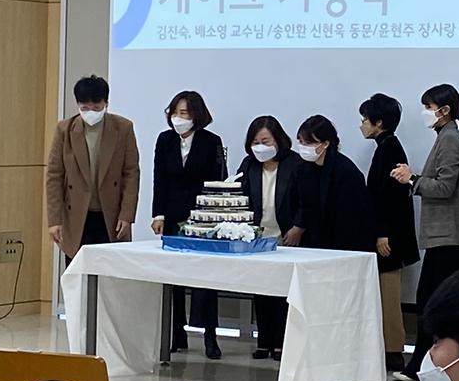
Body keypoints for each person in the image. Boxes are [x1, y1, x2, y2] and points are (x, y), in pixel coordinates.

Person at [391, 83, 459, 381]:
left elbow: (444, 187)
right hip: (446, 237)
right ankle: (424, 365)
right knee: (431, 302)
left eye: (429, 108)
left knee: (436, 304)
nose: (425, 113)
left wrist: (412, 179)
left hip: (452, 237)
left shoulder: (450, 139)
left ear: (444, 110)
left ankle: (427, 365)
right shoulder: (446, 137)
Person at [150, 90, 226, 359]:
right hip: (172, 215)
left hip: (202, 219)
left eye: (184, 113)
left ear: (196, 116)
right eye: (174, 112)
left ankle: (210, 336)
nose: (178, 118)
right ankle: (176, 334)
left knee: (206, 279)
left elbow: (218, 182)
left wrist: (213, 217)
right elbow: (159, 179)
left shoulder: (212, 141)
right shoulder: (165, 140)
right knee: (173, 278)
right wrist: (158, 214)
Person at [46, 75, 139, 263]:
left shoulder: (123, 128)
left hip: (111, 215)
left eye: (96, 108)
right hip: (76, 215)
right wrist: (54, 220)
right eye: (85, 108)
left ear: (106, 103)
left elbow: (131, 173)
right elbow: (54, 176)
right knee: (78, 271)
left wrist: (127, 215)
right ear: (78, 105)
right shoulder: (64, 130)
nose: (91, 112)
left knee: (110, 271)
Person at [359, 93, 420, 372]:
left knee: (389, 292)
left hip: (390, 236)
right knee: (384, 292)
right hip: (388, 232)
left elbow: (390, 196)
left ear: (379, 122)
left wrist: (382, 233)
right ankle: (387, 347)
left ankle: (394, 350)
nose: (362, 125)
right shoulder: (385, 147)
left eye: (365, 119)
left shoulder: (389, 149)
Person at [236, 115, 302, 360]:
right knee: (261, 290)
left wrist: (298, 227)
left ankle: (282, 342)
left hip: (288, 237)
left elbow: (305, 199)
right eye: (255, 142)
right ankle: (264, 340)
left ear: (278, 140)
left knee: (285, 293)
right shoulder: (248, 165)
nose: (260, 147)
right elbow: (239, 197)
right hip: (258, 238)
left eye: (265, 141)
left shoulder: (295, 163)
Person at [291, 115, 376, 255]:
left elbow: (353, 217)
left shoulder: (346, 171)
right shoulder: (302, 168)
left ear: (325, 143)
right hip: (315, 243)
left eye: (309, 142)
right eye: (300, 141)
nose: (303, 146)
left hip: (346, 244)